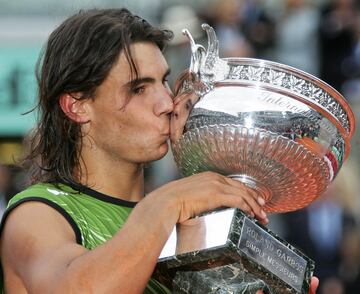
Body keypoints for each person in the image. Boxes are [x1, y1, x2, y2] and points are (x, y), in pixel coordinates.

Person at [0, 8, 318, 293]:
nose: (167, 103)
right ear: (78, 106)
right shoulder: (37, 214)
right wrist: (167, 202)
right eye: (138, 88)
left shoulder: (184, 218)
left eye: (163, 81)